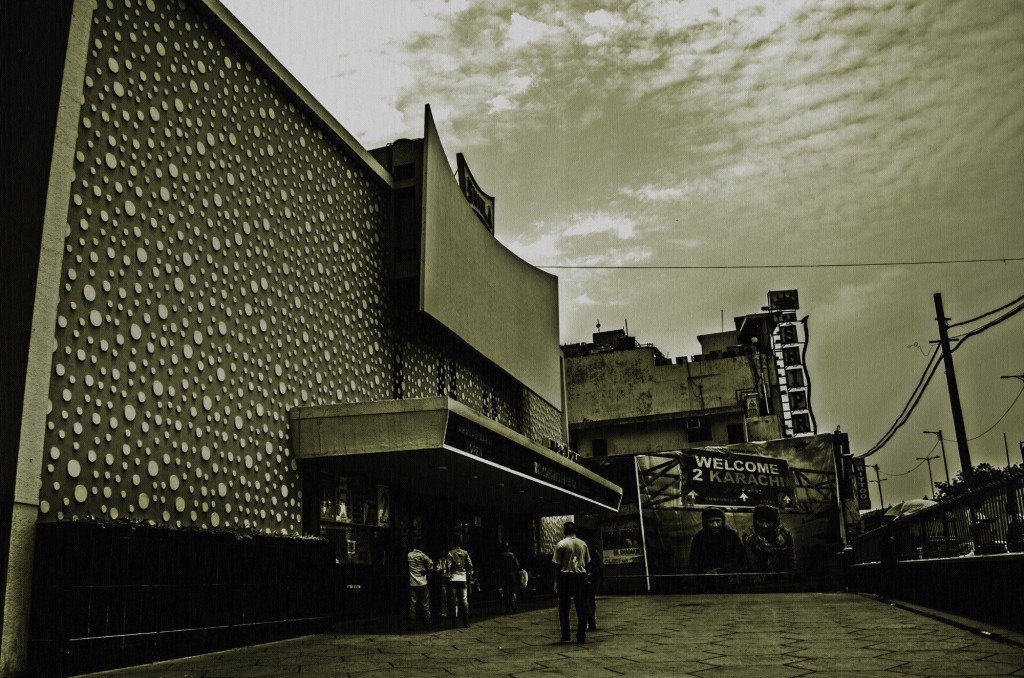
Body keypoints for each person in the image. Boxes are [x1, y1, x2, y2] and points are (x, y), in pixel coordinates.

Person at [552, 521, 591, 644]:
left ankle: (565, 635)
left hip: (565, 577)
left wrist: (555, 581)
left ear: (564, 531)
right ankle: (581, 634)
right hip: (580, 577)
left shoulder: (561, 544)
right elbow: (587, 562)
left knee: (564, 608)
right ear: (575, 531)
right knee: (581, 607)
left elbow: (556, 564)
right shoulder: (583, 544)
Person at [688, 506, 745, 574]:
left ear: (723, 521)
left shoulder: (732, 535)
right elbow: (694, 561)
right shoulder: (699, 537)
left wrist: (722, 571)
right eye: (711, 521)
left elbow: (739, 558)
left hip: (729, 577)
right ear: (705, 522)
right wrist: (705, 573)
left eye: (718, 521)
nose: (715, 525)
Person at [742, 504, 795, 573]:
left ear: (775, 522)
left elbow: (791, 557)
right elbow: (752, 563)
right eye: (760, 521)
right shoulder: (749, 536)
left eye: (768, 522)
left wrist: (790, 575)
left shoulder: (785, 533)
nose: (764, 525)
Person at [446, 535, 474, 628]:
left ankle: (455, 622)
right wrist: (468, 573)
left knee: (454, 602)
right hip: (463, 578)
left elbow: (448, 567)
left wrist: (448, 574)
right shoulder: (465, 552)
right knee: (464, 601)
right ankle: (466, 622)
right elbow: (470, 564)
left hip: (453, 579)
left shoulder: (450, 553)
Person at [407, 542, 434, 629]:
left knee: (413, 604)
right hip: (422, 582)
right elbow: (430, 563)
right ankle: (428, 623)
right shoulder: (422, 555)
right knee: (425, 604)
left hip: (413, 583)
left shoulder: (409, 555)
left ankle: (412, 624)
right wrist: (427, 570)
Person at [498, 543, 521, 614]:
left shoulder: (501, 556)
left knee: (505, 592)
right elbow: (518, 565)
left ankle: (507, 608)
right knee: (512, 590)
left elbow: (498, 567)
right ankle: (513, 605)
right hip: (512, 575)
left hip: (504, 576)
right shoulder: (512, 555)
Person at [584, 548, 603, 632]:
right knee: (591, 599)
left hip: (586, 578)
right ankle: (592, 620)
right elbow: (600, 567)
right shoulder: (594, 552)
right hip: (594, 579)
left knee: (586, 600)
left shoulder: (583, 552)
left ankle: (591, 622)